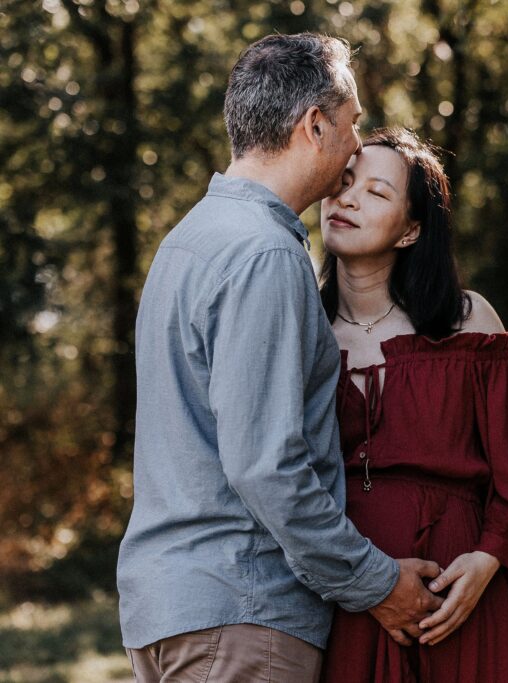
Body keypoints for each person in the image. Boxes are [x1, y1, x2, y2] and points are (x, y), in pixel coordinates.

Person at [117, 35, 442, 683]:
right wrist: (376, 582)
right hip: (241, 609)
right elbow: (267, 465)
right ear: (314, 125)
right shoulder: (266, 254)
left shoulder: (187, 242)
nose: (355, 147)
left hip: (171, 606)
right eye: (350, 126)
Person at [317, 128, 508, 682]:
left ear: (412, 230)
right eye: (343, 183)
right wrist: (364, 584)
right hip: (348, 596)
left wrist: (489, 557)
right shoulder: (301, 330)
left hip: (459, 593)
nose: (348, 198)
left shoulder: (468, 321)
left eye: (376, 192)